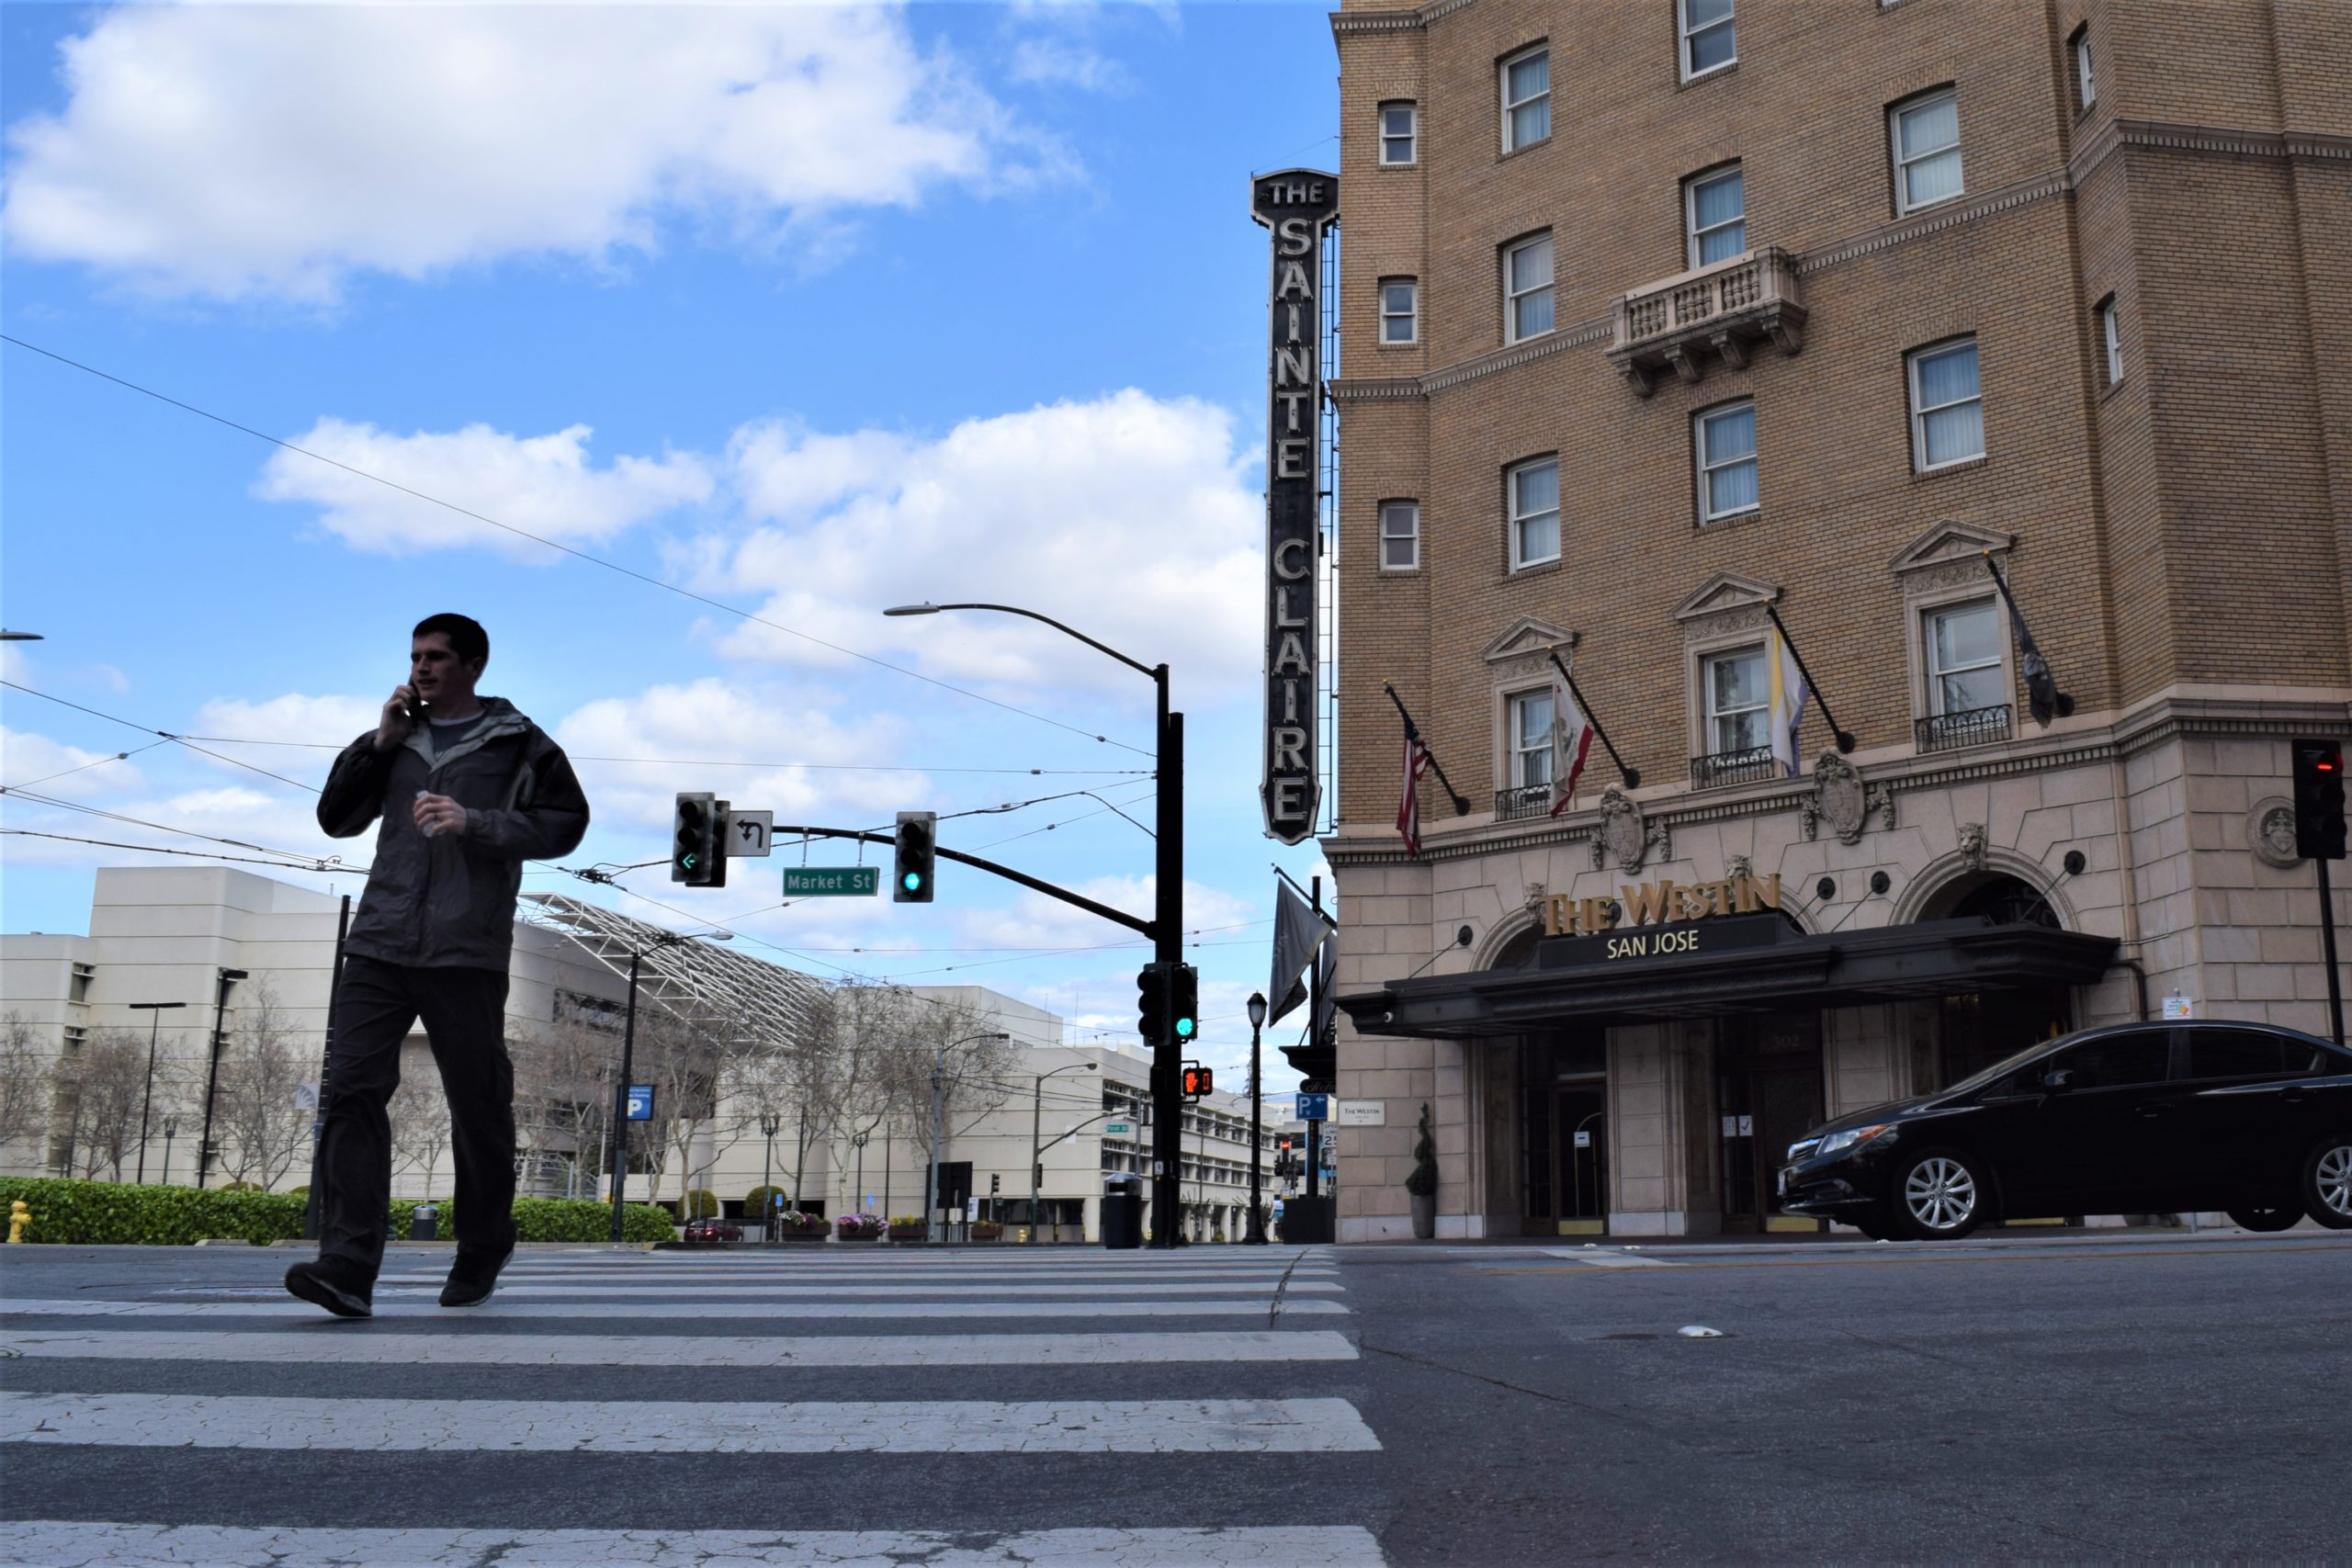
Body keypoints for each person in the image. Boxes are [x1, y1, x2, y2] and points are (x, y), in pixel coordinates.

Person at [284, 614, 589, 1317]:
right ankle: (348, 1265)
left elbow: (566, 821)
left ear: (473, 665)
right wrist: (378, 744)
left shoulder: (520, 742)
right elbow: (336, 818)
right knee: (352, 1092)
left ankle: (483, 1243)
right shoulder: (394, 738)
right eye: (415, 655)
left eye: (437, 657)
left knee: (477, 1104)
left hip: (465, 947)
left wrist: (478, 822)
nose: (422, 667)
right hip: (380, 940)